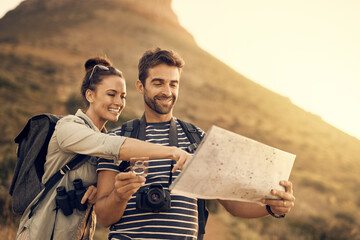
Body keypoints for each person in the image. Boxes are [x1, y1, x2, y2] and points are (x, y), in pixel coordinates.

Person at [96, 48, 296, 239]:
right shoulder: (116, 140)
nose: (167, 91)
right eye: (158, 83)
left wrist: (272, 207)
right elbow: (104, 217)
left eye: (173, 84)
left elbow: (232, 204)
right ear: (141, 86)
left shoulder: (197, 139)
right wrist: (120, 196)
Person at [16, 56, 192, 240]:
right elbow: (113, 146)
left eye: (122, 96)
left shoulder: (105, 137)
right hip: (42, 232)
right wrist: (173, 151)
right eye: (111, 94)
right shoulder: (67, 128)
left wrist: (95, 188)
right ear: (90, 95)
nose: (119, 102)